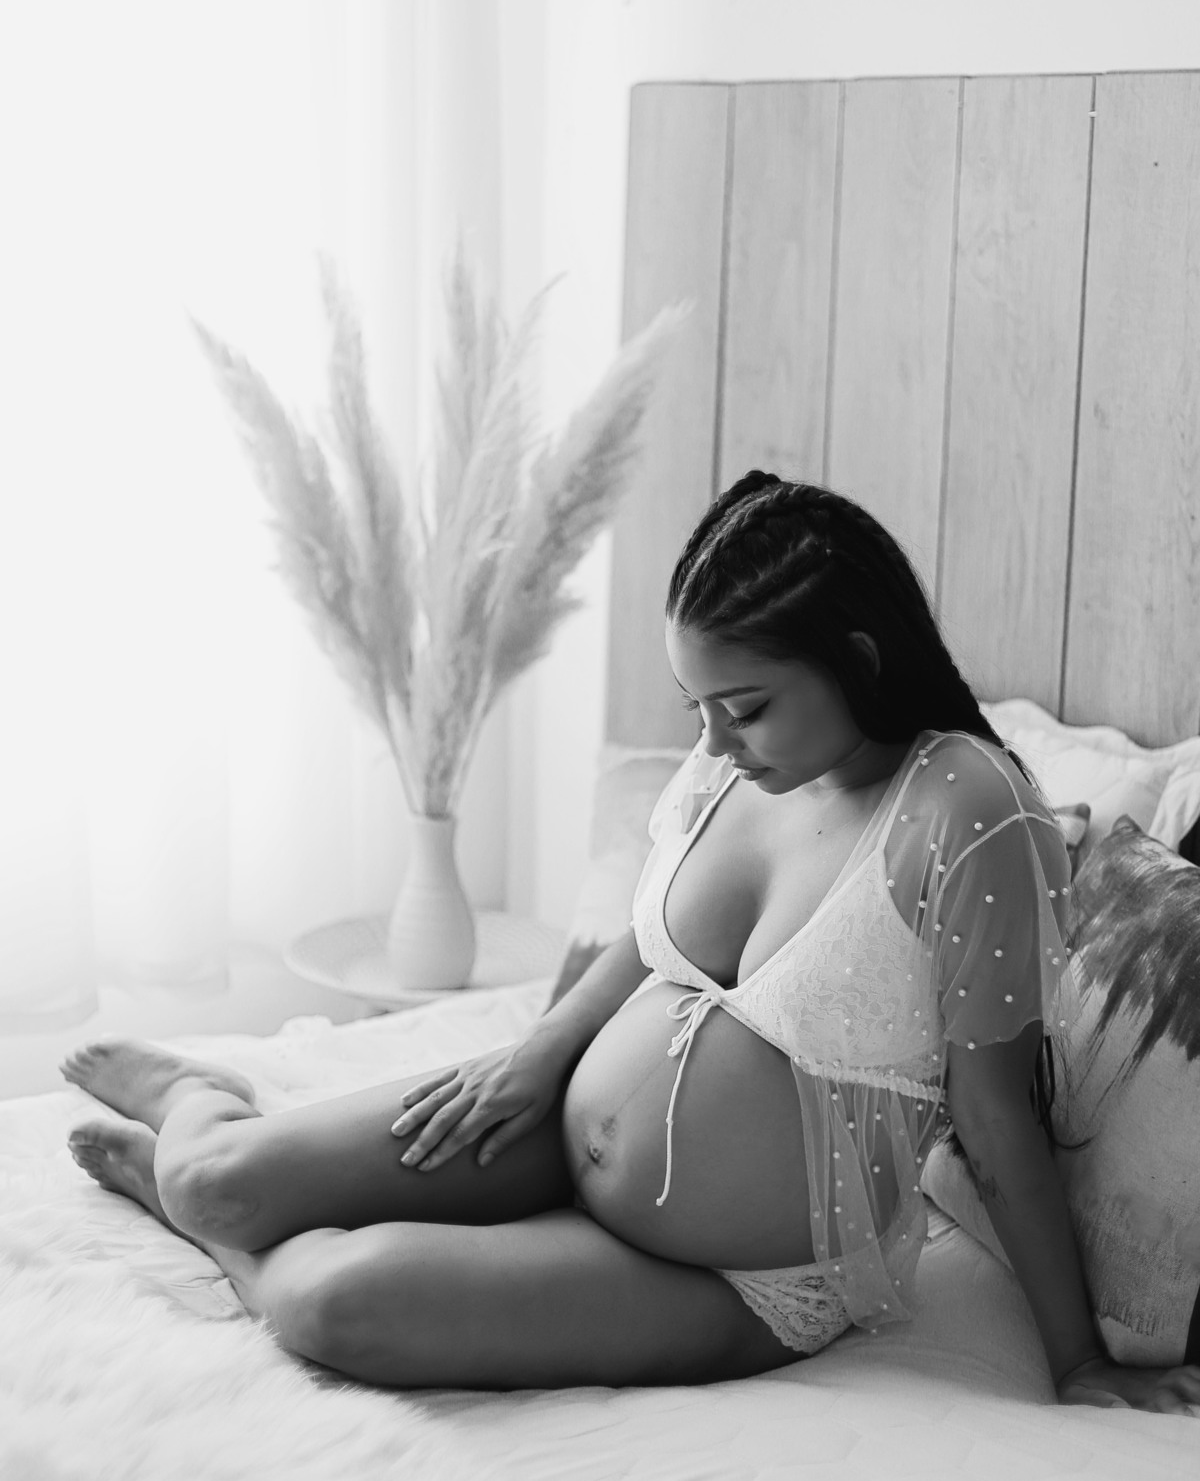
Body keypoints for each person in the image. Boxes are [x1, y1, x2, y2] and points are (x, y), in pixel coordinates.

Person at [62, 471, 1200, 1413]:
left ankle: (214, 1235)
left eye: (743, 707)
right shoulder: (743, 757)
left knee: (333, 1304)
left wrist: (1079, 1361)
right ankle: (201, 1103)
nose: (713, 741)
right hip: (555, 1124)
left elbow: (996, 1120)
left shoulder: (967, 812)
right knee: (219, 1180)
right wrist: (537, 1055)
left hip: (739, 1274)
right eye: (696, 704)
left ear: (857, 658)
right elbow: (649, 946)